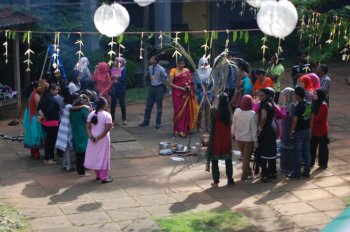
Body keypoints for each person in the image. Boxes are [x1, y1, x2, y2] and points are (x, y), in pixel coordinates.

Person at [206, 93, 234, 187]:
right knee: (228, 159)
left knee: (214, 160)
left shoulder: (214, 110)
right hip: (226, 139)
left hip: (216, 138)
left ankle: (216, 181)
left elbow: (211, 123)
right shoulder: (229, 111)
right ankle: (230, 179)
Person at [85, 97, 113, 184]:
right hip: (103, 140)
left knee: (95, 157)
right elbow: (106, 129)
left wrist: (92, 137)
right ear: (104, 105)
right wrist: (98, 138)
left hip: (93, 140)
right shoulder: (107, 115)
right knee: (104, 157)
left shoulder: (91, 114)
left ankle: (98, 175)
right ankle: (103, 177)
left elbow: (87, 127)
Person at [168, 57, 199, 137]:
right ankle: (177, 130)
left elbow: (191, 82)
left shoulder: (187, 71)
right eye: (180, 64)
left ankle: (185, 130)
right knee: (178, 111)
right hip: (177, 94)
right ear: (177, 63)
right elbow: (170, 84)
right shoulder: (173, 71)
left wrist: (189, 88)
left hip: (186, 94)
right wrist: (181, 88)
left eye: (183, 64)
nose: (181, 65)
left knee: (186, 112)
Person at [288, 86, 313, 179]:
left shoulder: (298, 106)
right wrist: (310, 129)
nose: (294, 96)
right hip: (307, 130)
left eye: (295, 94)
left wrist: (291, 131)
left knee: (298, 153)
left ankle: (296, 173)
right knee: (307, 152)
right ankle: (307, 172)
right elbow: (312, 118)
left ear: (298, 95)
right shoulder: (310, 104)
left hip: (299, 132)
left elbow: (295, 120)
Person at [231, 95, 257, 181]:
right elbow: (254, 129)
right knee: (246, 157)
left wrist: (232, 134)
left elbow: (234, 125)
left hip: (238, 138)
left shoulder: (237, 111)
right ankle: (244, 174)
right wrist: (255, 141)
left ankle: (248, 171)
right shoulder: (252, 114)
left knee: (244, 155)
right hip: (248, 139)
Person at [139, 55, 168, 129]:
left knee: (159, 107)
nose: (150, 59)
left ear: (155, 61)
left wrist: (164, 86)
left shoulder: (161, 69)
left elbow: (165, 77)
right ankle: (146, 120)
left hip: (159, 88)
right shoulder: (150, 67)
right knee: (148, 106)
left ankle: (158, 123)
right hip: (152, 87)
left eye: (152, 58)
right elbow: (151, 76)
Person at [256, 88, 277, 182]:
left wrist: (260, 128)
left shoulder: (264, 105)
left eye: (262, 95)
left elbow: (263, 117)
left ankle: (264, 175)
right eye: (259, 95)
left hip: (266, 130)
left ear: (267, 96)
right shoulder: (271, 103)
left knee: (264, 152)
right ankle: (273, 172)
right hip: (272, 128)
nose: (260, 97)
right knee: (271, 151)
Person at [38, 84, 61, 164]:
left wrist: (41, 115)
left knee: (50, 140)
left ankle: (51, 157)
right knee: (50, 141)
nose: (57, 91)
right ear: (51, 90)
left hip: (45, 122)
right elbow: (49, 111)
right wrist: (43, 116)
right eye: (55, 90)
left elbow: (39, 108)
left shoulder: (44, 98)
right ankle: (47, 158)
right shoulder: (52, 100)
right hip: (52, 123)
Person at [70, 95, 91, 176]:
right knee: (83, 153)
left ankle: (80, 171)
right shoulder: (83, 111)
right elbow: (88, 120)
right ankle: (82, 171)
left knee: (79, 153)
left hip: (75, 133)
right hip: (83, 133)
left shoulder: (72, 111)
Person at [23, 81, 44, 160]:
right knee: (36, 135)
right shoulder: (36, 95)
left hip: (30, 117)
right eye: (39, 86)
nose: (40, 87)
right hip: (35, 118)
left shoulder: (31, 94)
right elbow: (39, 107)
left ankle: (33, 152)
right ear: (34, 88)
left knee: (31, 134)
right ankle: (36, 154)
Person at [279, 87, 297, 174]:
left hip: (289, 128)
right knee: (284, 148)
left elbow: (294, 119)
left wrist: (291, 131)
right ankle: (283, 166)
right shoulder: (287, 104)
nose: (283, 97)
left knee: (289, 149)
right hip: (284, 128)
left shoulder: (292, 105)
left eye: (285, 95)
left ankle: (289, 167)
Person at [55, 93, 74, 172]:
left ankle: (64, 164)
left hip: (63, 128)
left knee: (65, 148)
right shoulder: (69, 106)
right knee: (67, 149)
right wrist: (84, 106)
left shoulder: (66, 106)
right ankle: (68, 166)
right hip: (66, 129)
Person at [311, 89, 329, 169]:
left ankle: (323, 163)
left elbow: (319, 118)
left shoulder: (323, 105)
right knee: (312, 147)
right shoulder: (314, 103)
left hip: (321, 130)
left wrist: (310, 118)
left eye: (315, 94)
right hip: (314, 130)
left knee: (323, 148)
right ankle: (310, 162)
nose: (313, 95)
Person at [194, 57, 213, 131]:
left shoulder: (210, 71)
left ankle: (207, 127)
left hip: (208, 93)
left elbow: (212, 82)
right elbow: (196, 82)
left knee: (208, 110)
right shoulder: (197, 72)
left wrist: (207, 86)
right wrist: (203, 85)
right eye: (202, 64)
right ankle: (198, 127)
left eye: (205, 64)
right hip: (199, 93)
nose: (204, 66)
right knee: (199, 110)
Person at [110, 57, 127, 125]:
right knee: (113, 104)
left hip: (121, 88)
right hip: (113, 88)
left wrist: (115, 77)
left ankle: (124, 119)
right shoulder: (112, 69)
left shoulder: (123, 69)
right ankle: (112, 119)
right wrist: (117, 76)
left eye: (116, 61)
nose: (114, 62)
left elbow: (122, 78)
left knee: (122, 103)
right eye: (115, 61)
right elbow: (110, 77)